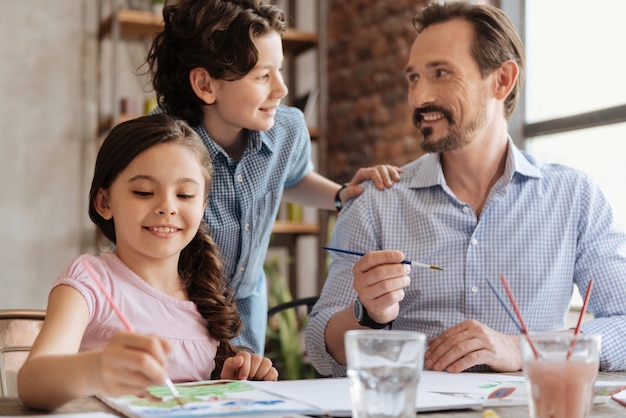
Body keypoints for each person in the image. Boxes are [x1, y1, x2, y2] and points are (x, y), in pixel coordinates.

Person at [305, 1, 626, 377]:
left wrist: (524, 349)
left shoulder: (575, 197)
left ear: (502, 81)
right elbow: (320, 343)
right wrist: (368, 313)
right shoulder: (375, 201)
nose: (419, 97)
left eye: (441, 73)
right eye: (413, 77)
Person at [145, 0, 401, 354]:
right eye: (263, 76)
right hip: (169, 309)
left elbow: (293, 178)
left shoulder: (287, 129)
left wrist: (343, 195)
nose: (281, 89)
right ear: (205, 84)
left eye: (279, 71)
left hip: (244, 309)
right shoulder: (161, 141)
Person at [18, 114, 278, 411]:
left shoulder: (202, 293)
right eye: (143, 192)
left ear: (203, 206)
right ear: (104, 202)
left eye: (185, 194)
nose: (167, 207)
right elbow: (31, 383)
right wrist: (97, 368)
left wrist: (224, 382)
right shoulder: (89, 281)